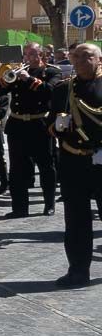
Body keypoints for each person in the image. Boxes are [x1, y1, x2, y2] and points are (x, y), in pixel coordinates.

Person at [48, 44, 102, 287]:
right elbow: (50, 122)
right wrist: (59, 127)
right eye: (76, 56)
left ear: (99, 59)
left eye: (87, 56)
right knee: (76, 219)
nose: (80, 60)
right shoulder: (62, 89)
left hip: (101, 159)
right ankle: (78, 270)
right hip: (73, 160)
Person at [0, 43, 62, 218]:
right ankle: (19, 208)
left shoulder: (51, 72)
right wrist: (6, 79)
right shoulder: (16, 72)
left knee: (46, 166)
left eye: (32, 54)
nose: (28, 57)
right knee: (17, 169)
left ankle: (49, 204)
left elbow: (50, 92)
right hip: (18, 125)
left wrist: (28, 79)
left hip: (40, 125)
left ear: (42, 55)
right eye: (26, 54)